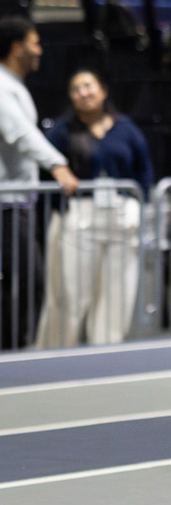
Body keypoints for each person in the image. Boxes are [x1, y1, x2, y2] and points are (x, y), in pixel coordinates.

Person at [36, 69, 151, 348]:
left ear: (103, 90)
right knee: (71, 294)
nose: (83, 93)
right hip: (79, 216)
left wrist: (139, 206)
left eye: (88, 86)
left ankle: (105, 352)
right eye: (76, 89)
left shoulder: (126, 129)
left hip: (122, 217)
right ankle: (57, 353)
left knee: (116, 294)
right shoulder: (62, 132)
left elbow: (144, 172)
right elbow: (45, 169)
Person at [0, 19, 80, 349]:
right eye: (35, 43)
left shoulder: (13, 85)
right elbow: (20, 133)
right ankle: (14, 352)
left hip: (17, 202)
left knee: (20, 282)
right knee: (26, 281)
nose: (40, 51)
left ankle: (12, 351)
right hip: (7, 204)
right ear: (16, 47)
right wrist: (57, 164)